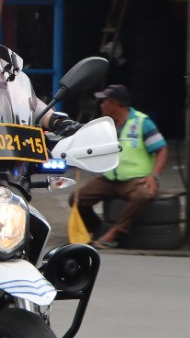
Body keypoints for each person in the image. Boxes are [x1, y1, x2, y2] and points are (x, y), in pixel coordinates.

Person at [72, 85, 169, 248]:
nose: (101, 105)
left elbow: (162, 149)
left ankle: (115, 233)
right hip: (109, 179)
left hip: (136, 179)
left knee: (142, 196)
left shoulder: (142, 122)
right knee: (76, 198)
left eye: (104, 101)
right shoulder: (106, 125)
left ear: (115, 103)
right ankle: (97, 228)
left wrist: (154, 176)